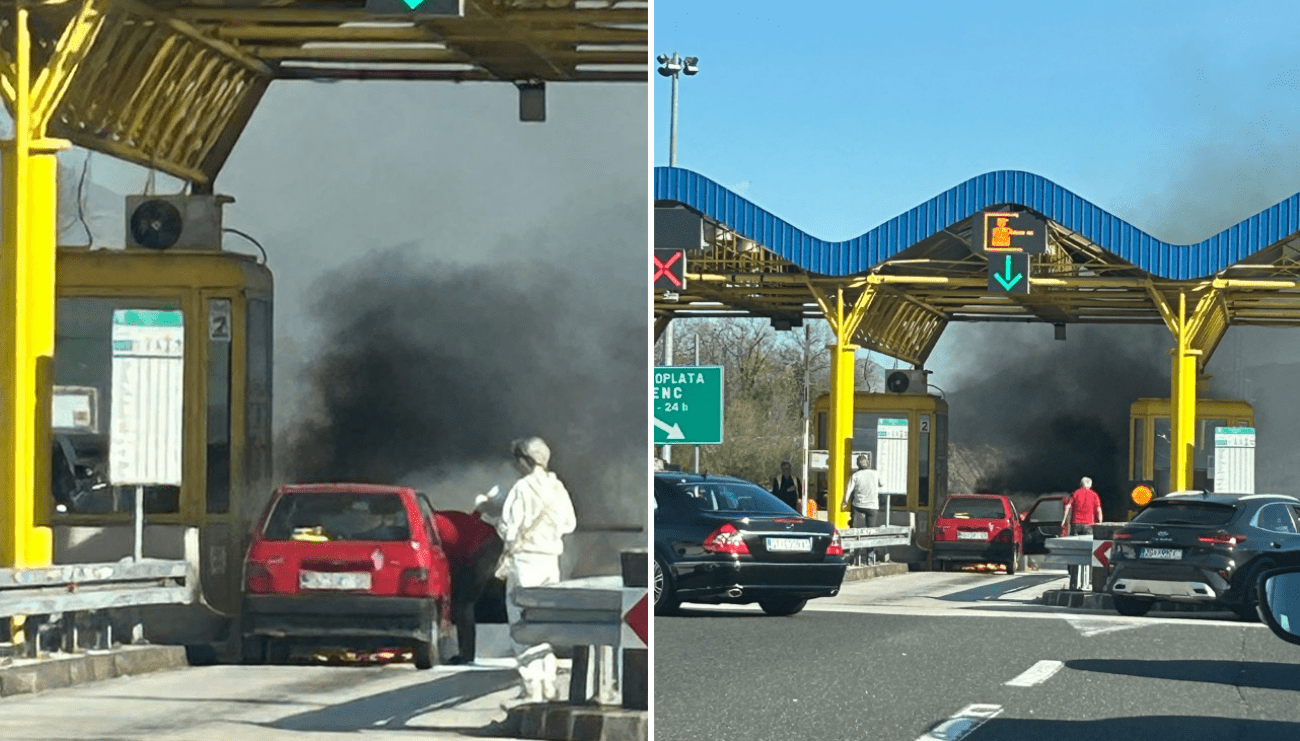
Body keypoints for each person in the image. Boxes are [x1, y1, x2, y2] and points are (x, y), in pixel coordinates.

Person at [492, 436, 577, 702]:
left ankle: (531, 686)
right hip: (550, 561)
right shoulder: (557, 488)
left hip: (525, 562)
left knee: (522, 623)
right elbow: (569, 524)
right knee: (545, 622)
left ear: (525, 460)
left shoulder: (522, 488)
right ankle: (549, 684)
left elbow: (509, 528)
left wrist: (492, 517)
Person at [434, 508, 504, 665]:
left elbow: (450, 561)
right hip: (481, 542)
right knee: (460, 600)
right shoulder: (436, 519)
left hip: (484, 546)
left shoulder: (435, 527)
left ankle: (466, 654)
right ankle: (464, 652)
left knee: (463, 602)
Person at [841, 454, 881, 529]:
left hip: (858, 505)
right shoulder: (876, 473)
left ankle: (853, 525)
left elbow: (849, 489)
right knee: (870, 529)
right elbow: (882, 484)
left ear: (858, 465)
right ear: (868, 463)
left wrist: (845, 501)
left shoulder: (856, 475)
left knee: (854, 527)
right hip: (873, 506)